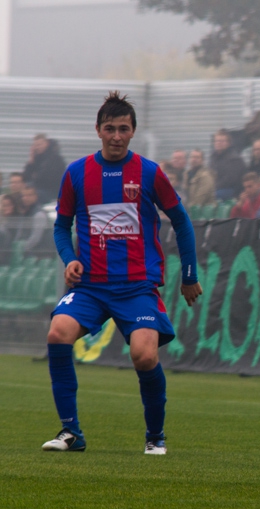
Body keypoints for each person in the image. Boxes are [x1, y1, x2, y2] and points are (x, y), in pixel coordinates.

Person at [41, 92, 201, 455]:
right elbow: (61, 226)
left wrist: (188, 275)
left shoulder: (149, 172)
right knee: (57, 333)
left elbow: (181, 221)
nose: (116, 135)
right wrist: (69, 258)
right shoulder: (77, 173)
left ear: (133, 132)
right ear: (98, 130)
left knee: (144, 356)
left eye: (123, 129)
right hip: (91, 286)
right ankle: (71, 433)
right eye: (109, 128)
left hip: (136, 288)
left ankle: (155, 437)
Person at [23, 133, 67, 203]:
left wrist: (35, 177)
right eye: (36, 145)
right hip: (40, 190)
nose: (37, 147)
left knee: (31, 197)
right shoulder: (37, 159)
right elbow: (26, 177)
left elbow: (46, 179)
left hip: (51, 192)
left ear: (46, 144)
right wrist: (31, 160)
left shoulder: (55, 159)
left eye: (39, 145)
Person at [210, 130, 246, 201]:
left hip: (233, 190)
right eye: (217, 141)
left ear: (229, 143)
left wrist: (214, 187)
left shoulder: (234, 158)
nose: (219, 143)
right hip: (217, 188)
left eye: (222, 141)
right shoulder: (213, 158)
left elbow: (230, 180)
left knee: (212, 196)